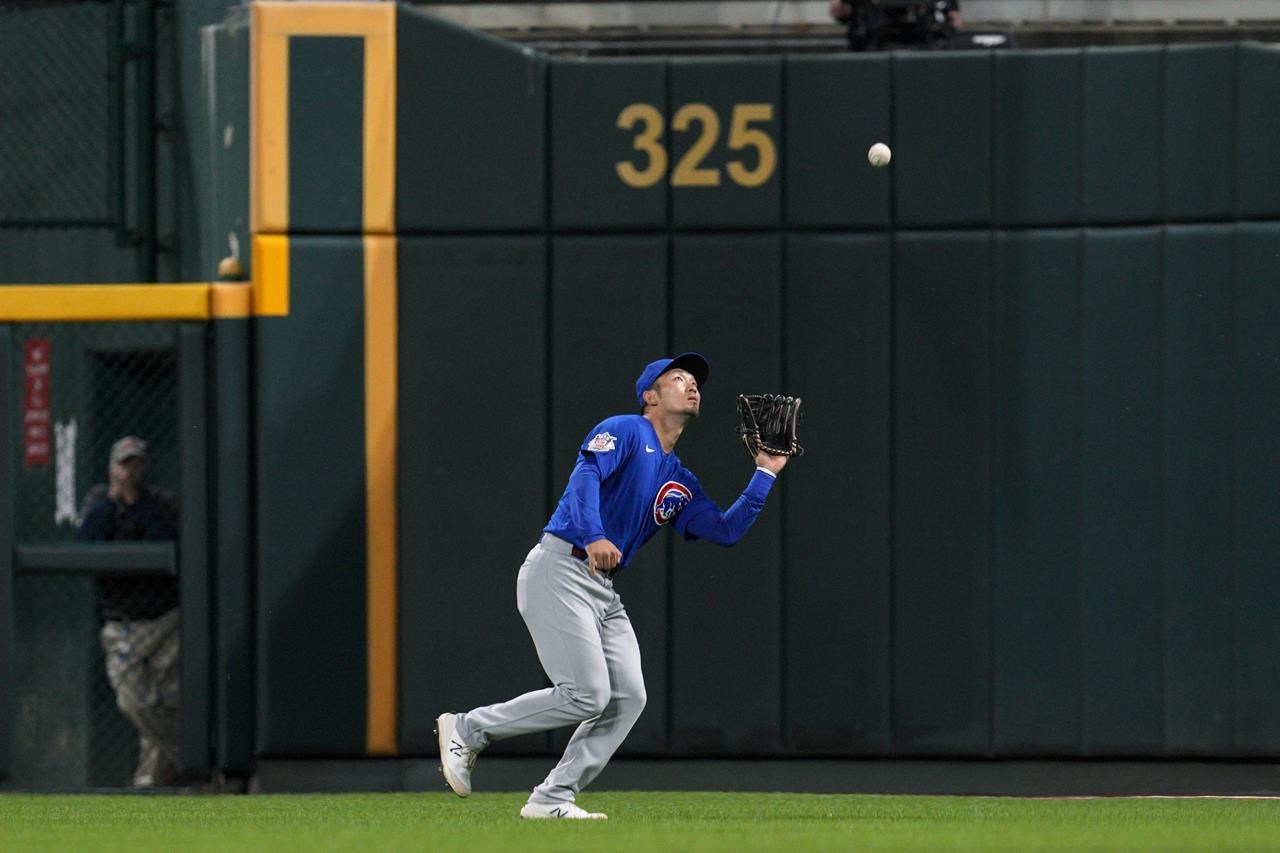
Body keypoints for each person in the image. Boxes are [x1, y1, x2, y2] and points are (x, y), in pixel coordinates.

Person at [435, 353, 789, 819]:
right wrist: (594, 533)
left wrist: (765, 472)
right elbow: (586, 475)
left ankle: (552, 798)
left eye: (694, 381)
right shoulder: (626, 429)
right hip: (561, 566)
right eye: (677, 378)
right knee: (586, 694)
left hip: (602, 589)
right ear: (650, 396)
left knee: (628, 697)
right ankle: (467, 728)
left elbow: (724, 530)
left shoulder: (677, 476)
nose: (691, 385)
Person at [76, 435, 181, 788]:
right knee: (134, 702)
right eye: (124, 464)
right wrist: (114, 500)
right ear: (111, 468)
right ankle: (193, 756)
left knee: (170, 700)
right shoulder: (98, 503)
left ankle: (151, 780)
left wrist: (136, 503)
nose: (131, 471)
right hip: (122, 623)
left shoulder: (162, 503)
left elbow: (165, 540)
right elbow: (85, 547)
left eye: (137, 463)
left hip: (165, 618)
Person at [829, 0, 962, 51]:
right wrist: (842, 9)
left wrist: (951, 10)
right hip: (874, 41)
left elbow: (949, 11)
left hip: (921, 39)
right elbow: (843, 11)